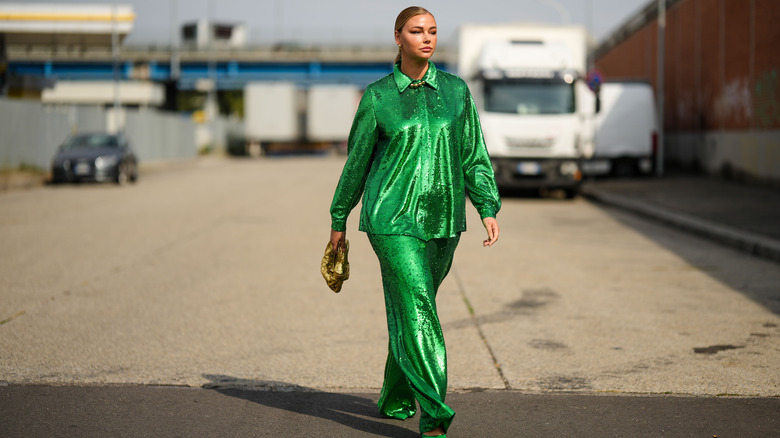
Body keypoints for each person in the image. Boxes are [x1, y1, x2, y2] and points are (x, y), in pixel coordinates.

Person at [328, 6, 501, 437]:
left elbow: (473, 154)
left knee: (413, 309)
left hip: (444, 221)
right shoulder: (379, 97)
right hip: (391, 219)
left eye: (433, 31)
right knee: (419, 307)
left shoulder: (457, 92)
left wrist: (486, 205)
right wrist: (339, 217)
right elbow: (357, 163)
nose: (427, 38)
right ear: (398, 37)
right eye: (416, 31)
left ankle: (396, 395)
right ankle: (436, 416)